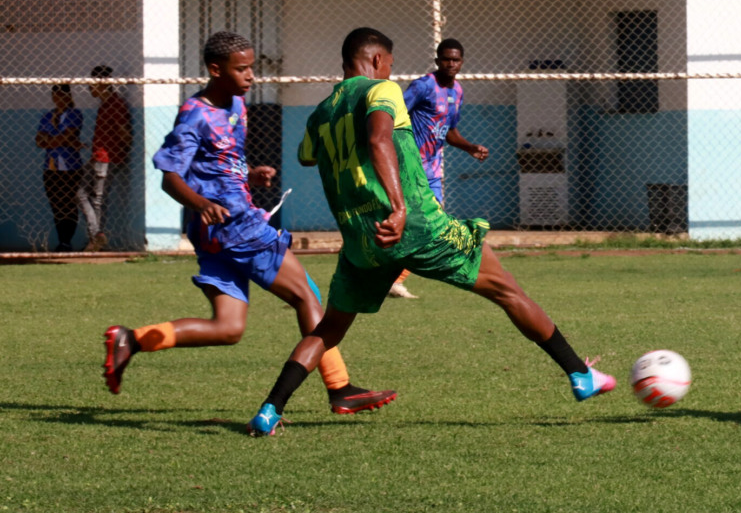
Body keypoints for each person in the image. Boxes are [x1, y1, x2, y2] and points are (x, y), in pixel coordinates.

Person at [246, 27, 614, 437]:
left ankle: (269, 409)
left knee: (328, 330)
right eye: (388, 64)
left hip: (363, 240)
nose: (389, 72)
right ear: (375, 61)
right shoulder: (380, 91)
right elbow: (379, 137)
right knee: (506, 289)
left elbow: (307, 155)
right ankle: (580, 374)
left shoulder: (320, 113)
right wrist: (400, 208)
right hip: (414, 225)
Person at [102, 31, 395, 418]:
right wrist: (201, 203)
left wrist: (250, 175)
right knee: (306, 295)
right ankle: (339, 387)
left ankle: (131, 339)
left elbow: (221, 165)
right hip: (234, 226)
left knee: (228, 328)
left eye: (252, 67)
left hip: (219, 232)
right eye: (241, 68)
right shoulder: (196, 113)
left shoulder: (237, 105)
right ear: (214, 69)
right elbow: (169, 175)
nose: (251, 75)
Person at [390, 38, 490, 299]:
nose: (451, 63)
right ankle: (389, 276)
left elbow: (450, 131)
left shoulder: (457, 91)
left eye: (455, 59)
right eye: (446, 59)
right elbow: (392, 117)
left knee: (431, 222)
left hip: (432, 170)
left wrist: (470, 147)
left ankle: (394, 278)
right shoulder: (423, 86)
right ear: (437, 61)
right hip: (411, 167)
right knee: (417, 222)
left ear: (462, 62)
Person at [77, 65, 132, 252]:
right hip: (98, 157)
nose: (90, 88)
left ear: (101, 84)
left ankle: (95, 238)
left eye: (93, 84)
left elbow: (124, 134)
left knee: (99, 199)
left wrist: (117, 154)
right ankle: (97, 234)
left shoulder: (115, 104)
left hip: (107, 159)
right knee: (81, 192)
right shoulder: (105, 104)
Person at [35, 83, 83, 251]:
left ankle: (66, 241)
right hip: (51, 167)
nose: (58, 100)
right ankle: (62, 240)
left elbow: (65, 136)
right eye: (55, 96)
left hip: (70, 167)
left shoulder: (74, 114)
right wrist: (62, 140)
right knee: (56, 205)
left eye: (61, 96)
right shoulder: (48, 116)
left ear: (68, 96)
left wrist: (53, 139)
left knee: (68, 204)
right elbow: (39, 140)